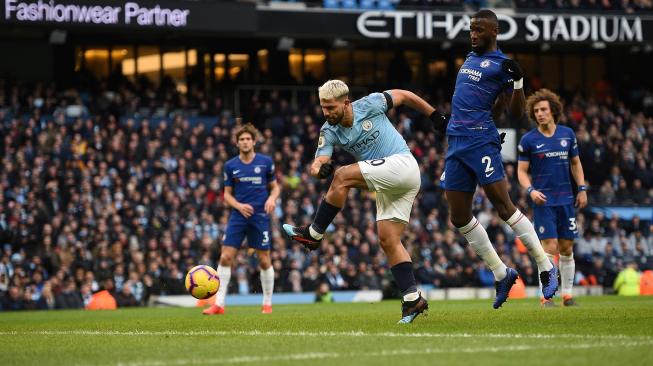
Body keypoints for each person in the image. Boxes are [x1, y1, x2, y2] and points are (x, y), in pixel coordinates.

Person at [282, 79, 448, 323]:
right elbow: (318, 163)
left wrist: (434, 115)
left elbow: (404, 94)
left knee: (342, 176)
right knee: (388, 239)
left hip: (402, 164)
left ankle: (314, 234)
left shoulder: (370, 104)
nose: (325, 113)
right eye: (323, 107)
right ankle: (412, 299)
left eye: (330, 107)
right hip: (391, 182)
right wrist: (320, 170)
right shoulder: (329, 131)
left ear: (346, 103)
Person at [440, 9, 558, 309]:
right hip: (455, 142)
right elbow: (483, 104)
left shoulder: (502, 65)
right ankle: (501, 273)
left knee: (503, 206)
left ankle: (546, 266)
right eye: (471, 29)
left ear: (495, 31)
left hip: (479, 142)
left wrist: (518, 83)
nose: (473, 34)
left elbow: (517, 114)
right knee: (458, 216)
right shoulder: (469, 58)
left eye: (479, 29)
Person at [517, 88, 587, 307]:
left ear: (553, 111)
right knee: (549, 247)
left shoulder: (567, 135)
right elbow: (521, 171)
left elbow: (575, 163)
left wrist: (582, 188)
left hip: (566, 200)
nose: (540, 113)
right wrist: (531, 191)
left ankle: (567, 294)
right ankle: (546, 296)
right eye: (536, 110)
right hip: (544, 202)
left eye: (544, 109)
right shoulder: (528, 140)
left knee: (567, 248)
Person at [203, 123, 281, 315]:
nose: (245, 142)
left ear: (254, 142)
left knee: (264, 260)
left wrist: (271, 198)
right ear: (237, 143)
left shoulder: (265, 162)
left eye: (248, 139)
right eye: (241, 140)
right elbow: (226, 195)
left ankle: (267, 303)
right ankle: (219, 304)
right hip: (238, 216)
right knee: (226, 256)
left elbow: (276, 187)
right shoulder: (230, 165)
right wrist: (238, 206)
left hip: (259, 217)